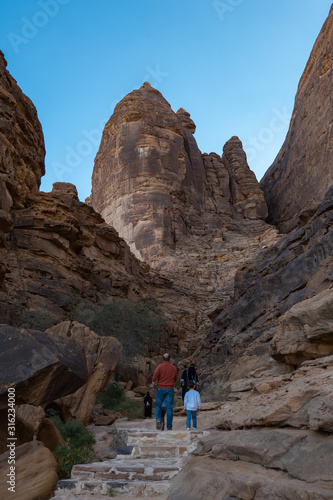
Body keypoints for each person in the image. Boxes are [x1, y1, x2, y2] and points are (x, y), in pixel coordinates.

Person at [151, 353, 178, 430]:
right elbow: (175, 379)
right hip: (170, 389)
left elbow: (154, 377)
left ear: (162, 359)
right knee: (169, 407)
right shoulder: (173, 368)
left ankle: (158, 419)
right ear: (170, 359)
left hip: (160, 389)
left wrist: (153, 385)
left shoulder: (159, 367)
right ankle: (169, 427)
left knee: (158, 405)